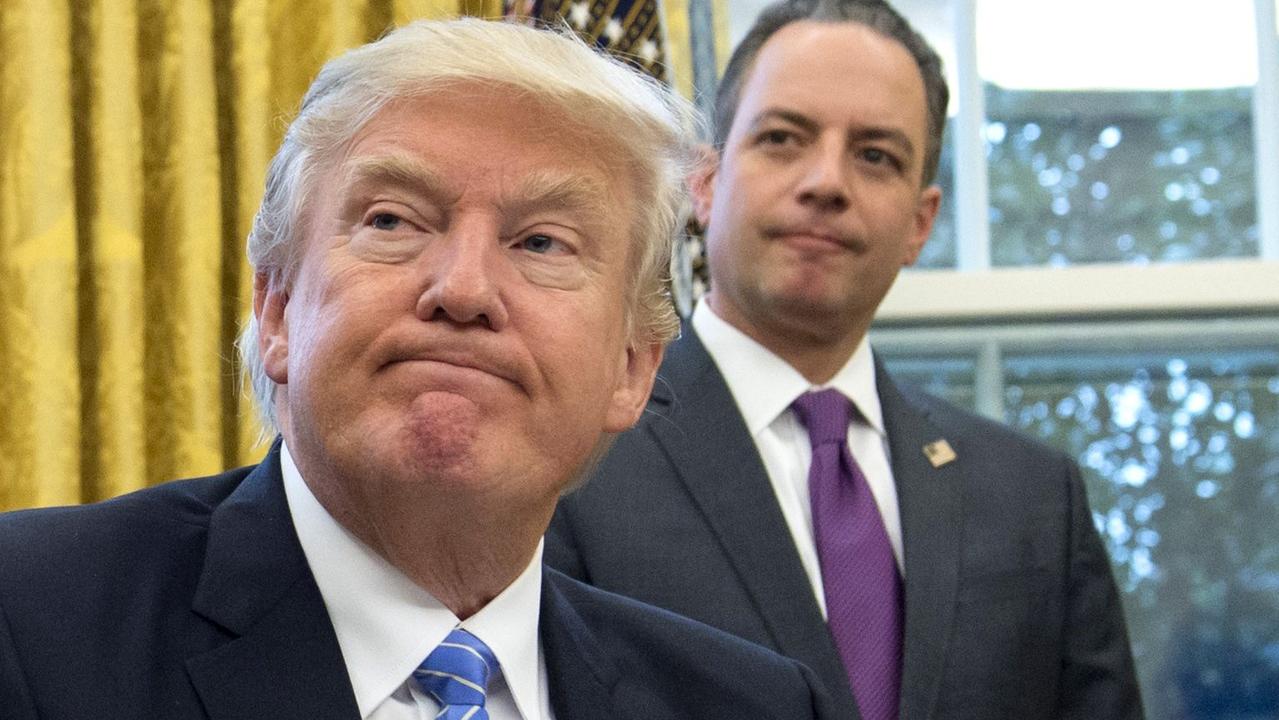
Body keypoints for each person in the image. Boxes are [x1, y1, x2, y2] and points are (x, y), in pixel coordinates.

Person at [0, 18, 838, 720]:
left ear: (632, 366)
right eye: (394, 220)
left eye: (541, 242)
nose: (464, 289)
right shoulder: (28, 621)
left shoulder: (748, 703)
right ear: (278, 309)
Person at [546, 1, 1145, 718]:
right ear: (701, 185)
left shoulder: (1034, 502)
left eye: (875, 156)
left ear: (919, 224)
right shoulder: (574, 455)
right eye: (782, 138)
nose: (826, 182)